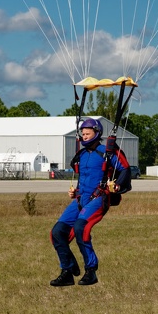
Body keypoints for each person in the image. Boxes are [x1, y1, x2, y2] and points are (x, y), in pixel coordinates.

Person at [49, 117, 129, 287]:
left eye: (87, 133)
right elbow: (83, 178)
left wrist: (117, 185)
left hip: (99, 199)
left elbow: (125, 169)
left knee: (81, 227)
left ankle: (91, 271)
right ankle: (68, 271)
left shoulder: (106, 152)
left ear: (96, 133)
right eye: (82, 133)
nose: (84, 136)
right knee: (56, 232)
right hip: (80, 200)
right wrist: (75, 192)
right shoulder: (82, 155)